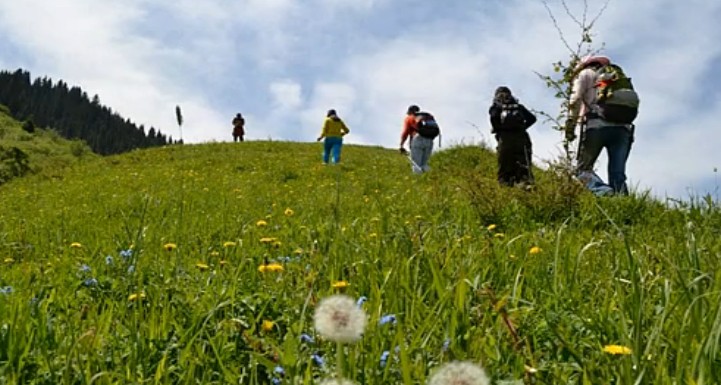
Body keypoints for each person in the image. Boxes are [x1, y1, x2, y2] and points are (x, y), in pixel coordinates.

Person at [566, 55, 638, 195]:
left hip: (596, 126)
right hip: (623, 129)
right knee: (618, 173)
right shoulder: (617, 78)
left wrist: (570, 127)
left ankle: (603, 192)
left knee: (582, 169)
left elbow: (575, 100)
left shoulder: (585, 74)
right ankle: (622, 202)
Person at [489, 86, 537, 187]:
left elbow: (493, 118)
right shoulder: (518, 107)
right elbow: (532, 119)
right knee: (523, 163)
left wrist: (498, 129)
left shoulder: (496, 106)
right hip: (522, 138)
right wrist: (522, 127)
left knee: (505, 164)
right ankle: (525, 184)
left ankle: (505, 186)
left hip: (505, 139)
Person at [400, 105, 440, 174]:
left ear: (409, 112)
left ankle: (418, 181)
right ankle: (430, 179)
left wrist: (401, 145)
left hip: (418, 140)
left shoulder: (409, 118)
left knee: (416, 164)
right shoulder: (427, 117)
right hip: (429, 140)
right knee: (424, 164)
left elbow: (405, 133)